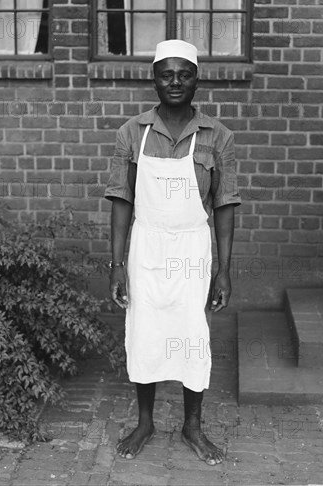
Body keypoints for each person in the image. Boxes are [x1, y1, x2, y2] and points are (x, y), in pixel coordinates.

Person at [104, 39, 241, 465]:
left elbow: (225, 204)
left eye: (185, 74)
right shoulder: (132, 132)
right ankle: (145, 421)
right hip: (147, 244)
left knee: (191, 337)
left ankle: (192, 426)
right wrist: (117, 264)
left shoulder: (218, 135)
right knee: (143, 331)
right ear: (154, 79)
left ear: (197, 78)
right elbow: (121, 199)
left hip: (192, 247)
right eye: (167, 74)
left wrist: (223, 270)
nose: (176, 82)